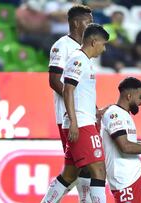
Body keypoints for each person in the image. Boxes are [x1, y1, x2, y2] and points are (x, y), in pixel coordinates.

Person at [42, 23, 109, 203]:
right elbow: (68, 90)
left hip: (82, 120)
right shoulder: (78, 59)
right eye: (103, 44)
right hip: (80, 123)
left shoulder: (84, 60)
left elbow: (79, 94)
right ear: (94, 42)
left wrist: (96, 111)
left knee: (69, 175)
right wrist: (73, 121)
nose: (104, 49)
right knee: (99, 171)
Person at [47, 4, 94, 202]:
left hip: (84, 115)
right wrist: (73, 108)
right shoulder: (62, 46)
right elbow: (54, 80)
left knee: (82, 167)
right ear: (76, 23)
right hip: (69, 116)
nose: (92, 25)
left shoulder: (85, 49)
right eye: (88, 21)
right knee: (78, 168)